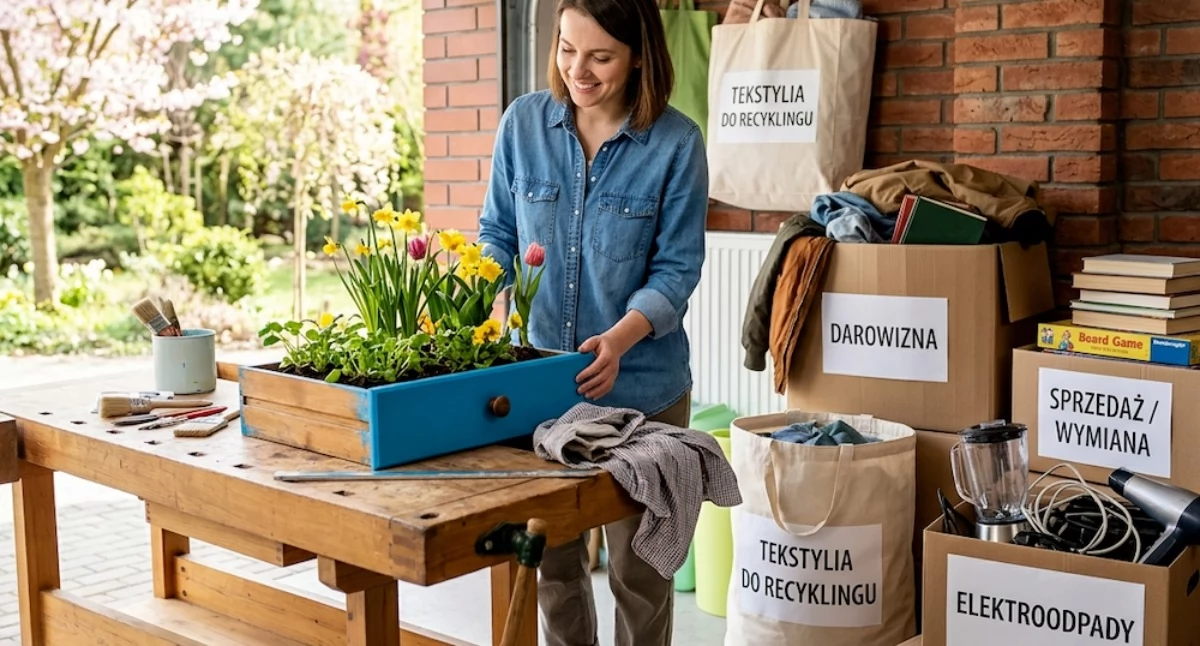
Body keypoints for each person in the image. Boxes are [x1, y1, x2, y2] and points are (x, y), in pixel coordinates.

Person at [475, 0, 708, 642]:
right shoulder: (523, 124)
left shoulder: (677, 144)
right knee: (554, 563)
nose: (579, 70)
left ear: (639, 56)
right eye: (566, 48)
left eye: (601, 56)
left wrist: (619, 338)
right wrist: (485, 292)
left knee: (640, 574)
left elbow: (677, 270)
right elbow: (497, 230)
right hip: (541, 388)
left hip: (643, 394)